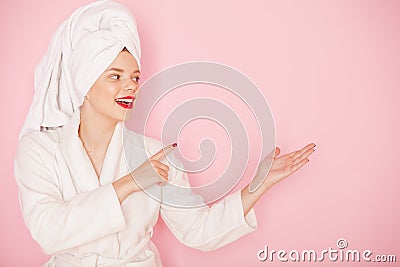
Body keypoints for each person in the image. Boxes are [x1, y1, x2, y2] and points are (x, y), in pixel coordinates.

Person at [14, 1, 316, 266]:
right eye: (115, 77)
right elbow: (48, 232)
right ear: (85, 86)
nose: (131, 86)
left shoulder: (155, 155)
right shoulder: (40, 149)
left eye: (135, 77)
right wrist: (130, 184)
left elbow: (198, 230)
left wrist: (258, 185)